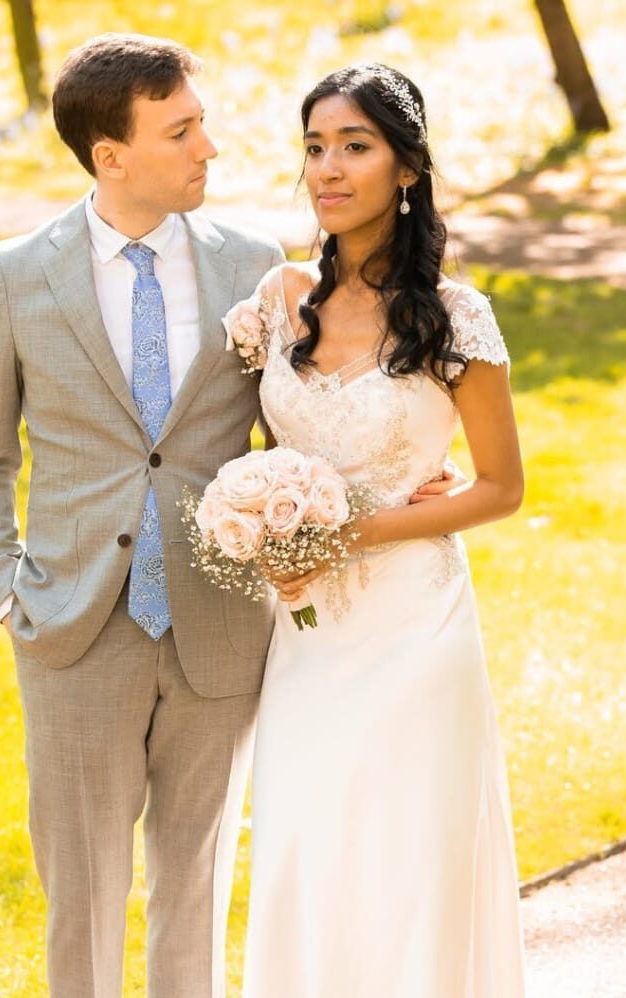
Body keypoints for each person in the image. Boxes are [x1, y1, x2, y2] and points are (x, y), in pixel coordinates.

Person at [0, 33, 287, 998]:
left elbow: (286, 426)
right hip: (72, 626)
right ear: (112, 155)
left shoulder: (254, 266)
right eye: (181, 131)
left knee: (198, 882)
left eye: (203, 124)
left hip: (219, 625)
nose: (207, 148)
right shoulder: (12, 275)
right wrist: (0, 589)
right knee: (83, 893)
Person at [223, 64, 527, 997]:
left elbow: (502, 488)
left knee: (403, 852)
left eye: (354, 147)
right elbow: (261, 450)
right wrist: (259, 523)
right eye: (314, 147)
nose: (328, 167)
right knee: (306, 840)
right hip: (305, 628)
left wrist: (359, 531)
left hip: (413, 624)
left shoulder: (455, 317)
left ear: (405, 169)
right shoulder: (276, 303)